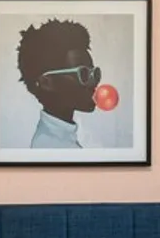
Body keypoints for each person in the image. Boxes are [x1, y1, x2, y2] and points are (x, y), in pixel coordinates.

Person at [15, 19, 101, 149]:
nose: (93, 83)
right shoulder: (51, 145)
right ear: (46, 82)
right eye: (83, 74)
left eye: (94, 74)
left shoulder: (59, 139)